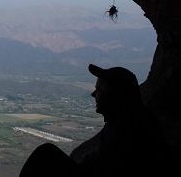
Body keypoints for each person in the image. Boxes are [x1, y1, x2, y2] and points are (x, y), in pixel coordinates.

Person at [19, 64, 170, 177]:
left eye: (100, 90)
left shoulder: (128, 131)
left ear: (115, 96)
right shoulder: (130, 120)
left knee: (46, 153)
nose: (93, 94)